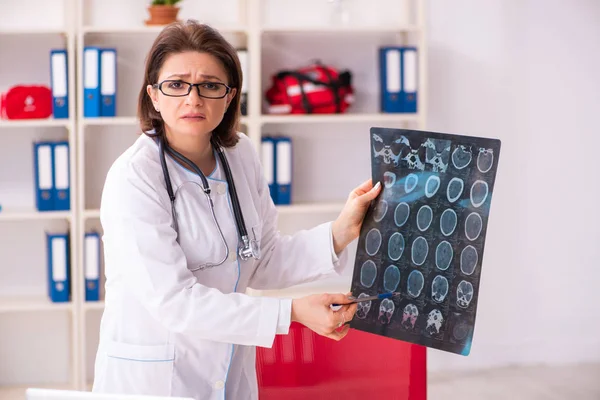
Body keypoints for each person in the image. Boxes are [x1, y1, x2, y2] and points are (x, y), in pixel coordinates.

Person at [91, 19, 382, 400]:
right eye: (176, 85)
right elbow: (175, 303)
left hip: (228, 374)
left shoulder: (239, 154)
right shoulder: (133, 178)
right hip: (155, 381)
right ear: (153, 96)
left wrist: (344, 229)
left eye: (210, 86)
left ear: (229, 97)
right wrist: (291, 313)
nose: (193, 99)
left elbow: (261, 259)